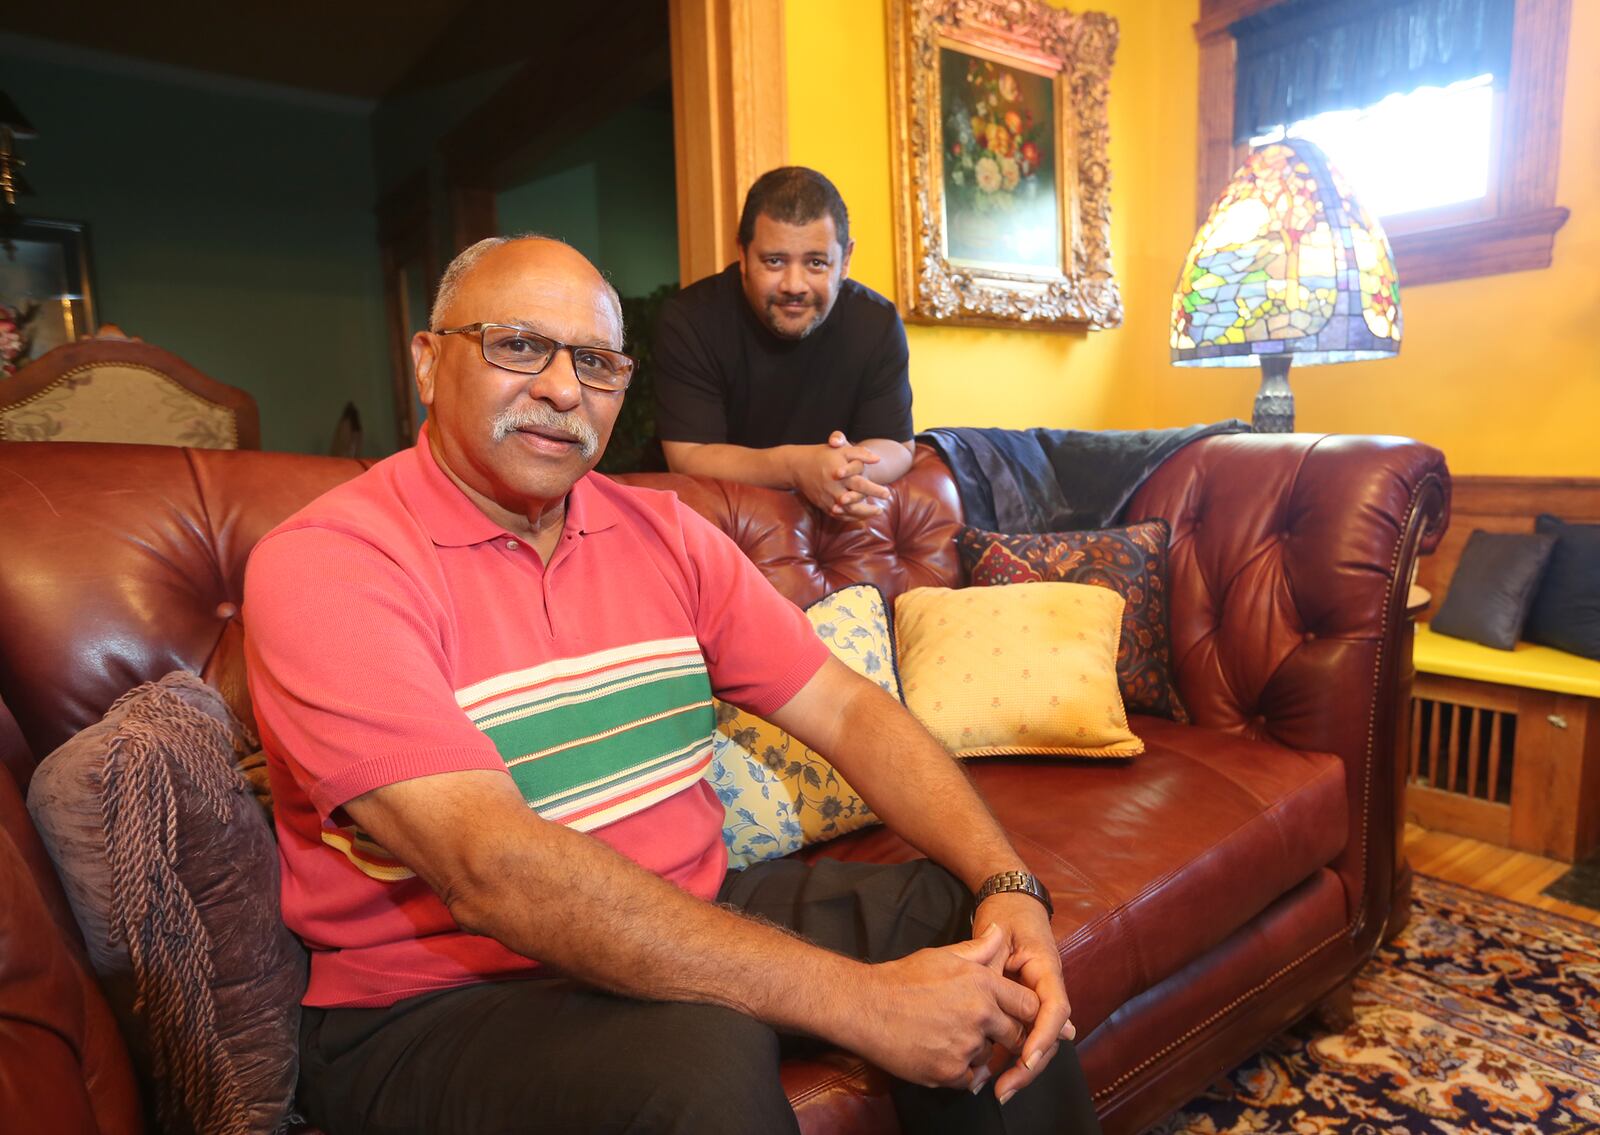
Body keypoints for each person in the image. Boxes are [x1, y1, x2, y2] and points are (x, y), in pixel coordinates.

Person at [243, 234, 1100, 1135]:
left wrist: (1009, 881)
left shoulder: (665, 533)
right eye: (519, 346)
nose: (563, 389)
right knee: (697, 1059)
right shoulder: (328, 564)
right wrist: (862, 1002)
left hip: (686, 902)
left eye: (596, 363)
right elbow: (490, 868)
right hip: (437, 999)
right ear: (428, 360)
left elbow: (849, 710)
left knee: (972, 923)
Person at [653, 166, 915, 521]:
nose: (795, 284)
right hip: (712, 520)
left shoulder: (877, 322)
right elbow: (688, 455)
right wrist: (796, 466)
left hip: (827, 525)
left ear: (846, 259)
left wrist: (843, 470)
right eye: (774, 261)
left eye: (816, 263)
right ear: (743, 255)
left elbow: (897, 445)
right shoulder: (690, 319)